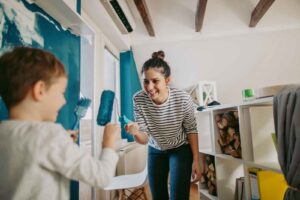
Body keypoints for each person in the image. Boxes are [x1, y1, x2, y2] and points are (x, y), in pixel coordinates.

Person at [0, 47, 120, 200]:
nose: (63, 101)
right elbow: (102, 177)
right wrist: (108, 143)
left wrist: (62, 141)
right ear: (40, 90)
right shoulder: (50, 135)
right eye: (61, 92)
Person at [126, 50, 201, 200]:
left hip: (180, 150)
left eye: (155, 81)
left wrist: (196, 160)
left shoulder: (183, 99)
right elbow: (144, 139)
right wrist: (135, 132)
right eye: (145, 81)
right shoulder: (139, 99)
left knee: (178, 196)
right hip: (155, 150)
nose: (149, 87)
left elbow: (191, 130)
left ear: (167, 80)